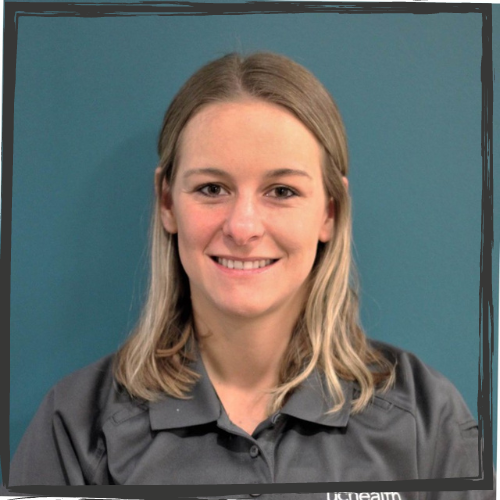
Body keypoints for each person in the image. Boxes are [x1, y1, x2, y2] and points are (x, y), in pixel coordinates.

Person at [9, 51, 492, 499]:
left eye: (281, 191)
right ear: (166, 202)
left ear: (329, 210)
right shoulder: (77, 427)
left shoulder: (425, 424)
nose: (243, 227)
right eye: (212, 187)